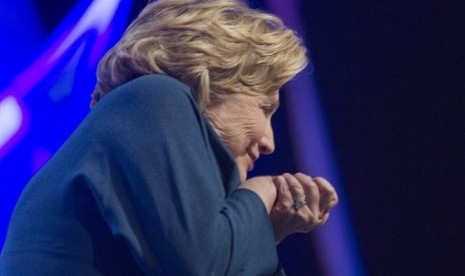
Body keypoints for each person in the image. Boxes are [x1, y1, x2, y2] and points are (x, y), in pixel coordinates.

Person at [1, 0, 338, 275]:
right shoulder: (156, 98)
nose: (269, 142)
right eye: (265, 108)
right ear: (215, 76)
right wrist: (260, 194)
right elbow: (201, 268)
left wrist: (268, 229)